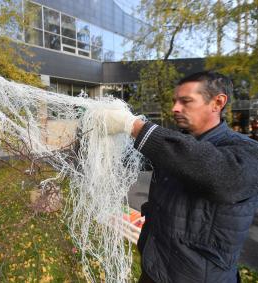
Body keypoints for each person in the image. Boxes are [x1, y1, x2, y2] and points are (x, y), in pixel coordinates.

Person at [101, 71, 258, 283]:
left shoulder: (246, 151)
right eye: (175, 101)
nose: (175, 108)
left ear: (217, 102)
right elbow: (130, 162)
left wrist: (133, 126)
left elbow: (213, 172)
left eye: (186, 101)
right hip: (153, 271)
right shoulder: (171, 148)